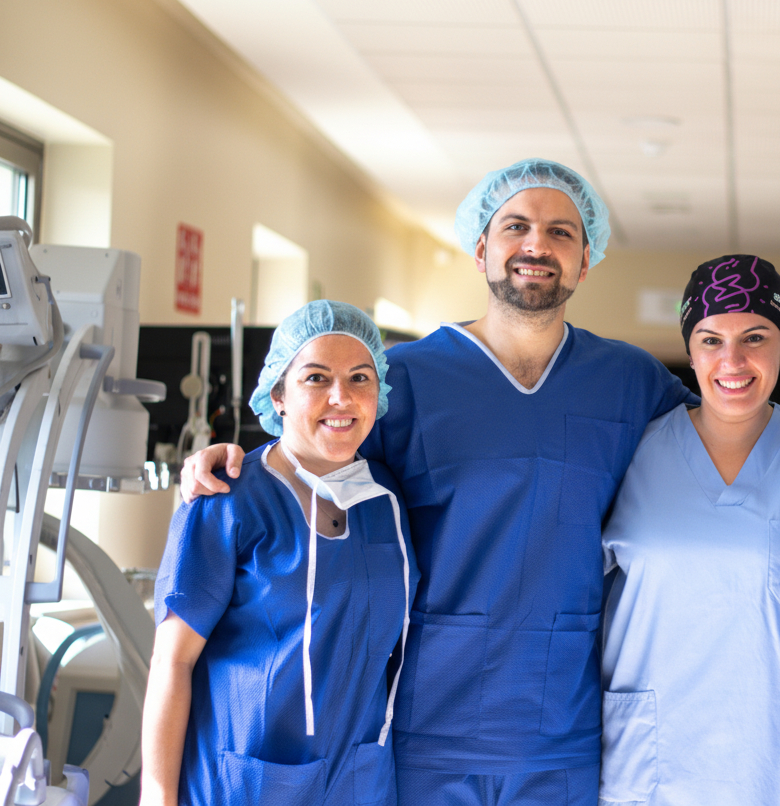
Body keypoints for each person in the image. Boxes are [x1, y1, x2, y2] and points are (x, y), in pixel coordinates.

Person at [179, 159, 702, 806]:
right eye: (516, 226)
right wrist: (230, 459)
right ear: (481, 249)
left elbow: (737, 430)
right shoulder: (404, 378)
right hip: (427, 727)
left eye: (561, 232)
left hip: (561, 732)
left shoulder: (627, 381)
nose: (537, 245)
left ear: (586, 259)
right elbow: (314, 451)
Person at [599, 255, 780, 806]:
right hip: (655, 763)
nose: (731, 360)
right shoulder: (630, 452)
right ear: (690, 352)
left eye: (755, 337)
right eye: (710, 340)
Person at [142, 300, 413, 806]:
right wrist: (156, 796)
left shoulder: (388, 500)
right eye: (316, 378)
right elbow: (171, 661)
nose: (341, 397)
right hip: (244, 783)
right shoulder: (226, 498)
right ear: (278, 395)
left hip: (360, 783)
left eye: (360, 377)